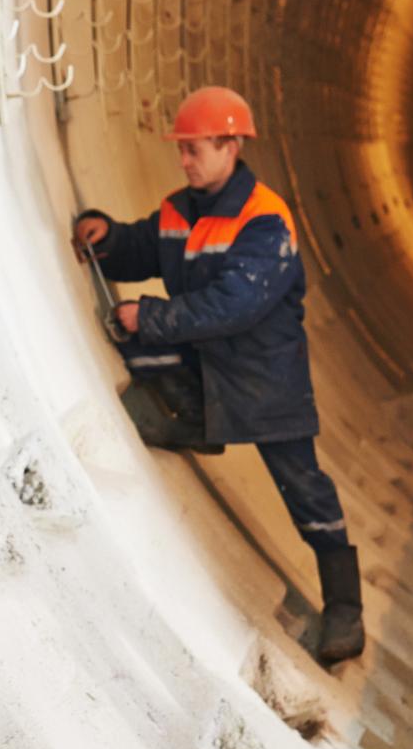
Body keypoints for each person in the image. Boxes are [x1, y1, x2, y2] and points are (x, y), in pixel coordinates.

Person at [72, 86, 364, 665]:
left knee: (304, 491)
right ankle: (196, 424)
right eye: (181, 150)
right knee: (129, 347)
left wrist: (152, 314)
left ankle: (345, 610)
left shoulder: (265, 220)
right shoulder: (183, 208)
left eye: (195, 149)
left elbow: (236, 304)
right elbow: (143, 247)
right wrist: (106, 236)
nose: (184, 161)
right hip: (207, 367)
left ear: (232, 145)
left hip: (265, 381)